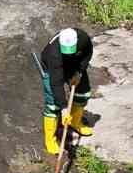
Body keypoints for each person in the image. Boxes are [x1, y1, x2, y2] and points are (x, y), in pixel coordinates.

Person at [39, 27, 95, 155]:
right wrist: (64, 108)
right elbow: (56, 83)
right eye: (66, 51)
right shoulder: (54, 54)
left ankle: (75, 123)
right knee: (53, 105)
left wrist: (79, 72)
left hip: (74, 64)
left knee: (83, 93)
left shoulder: (83, 38)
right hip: (52, 68)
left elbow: (88, 53)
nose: (68, 53)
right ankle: (50, 140)